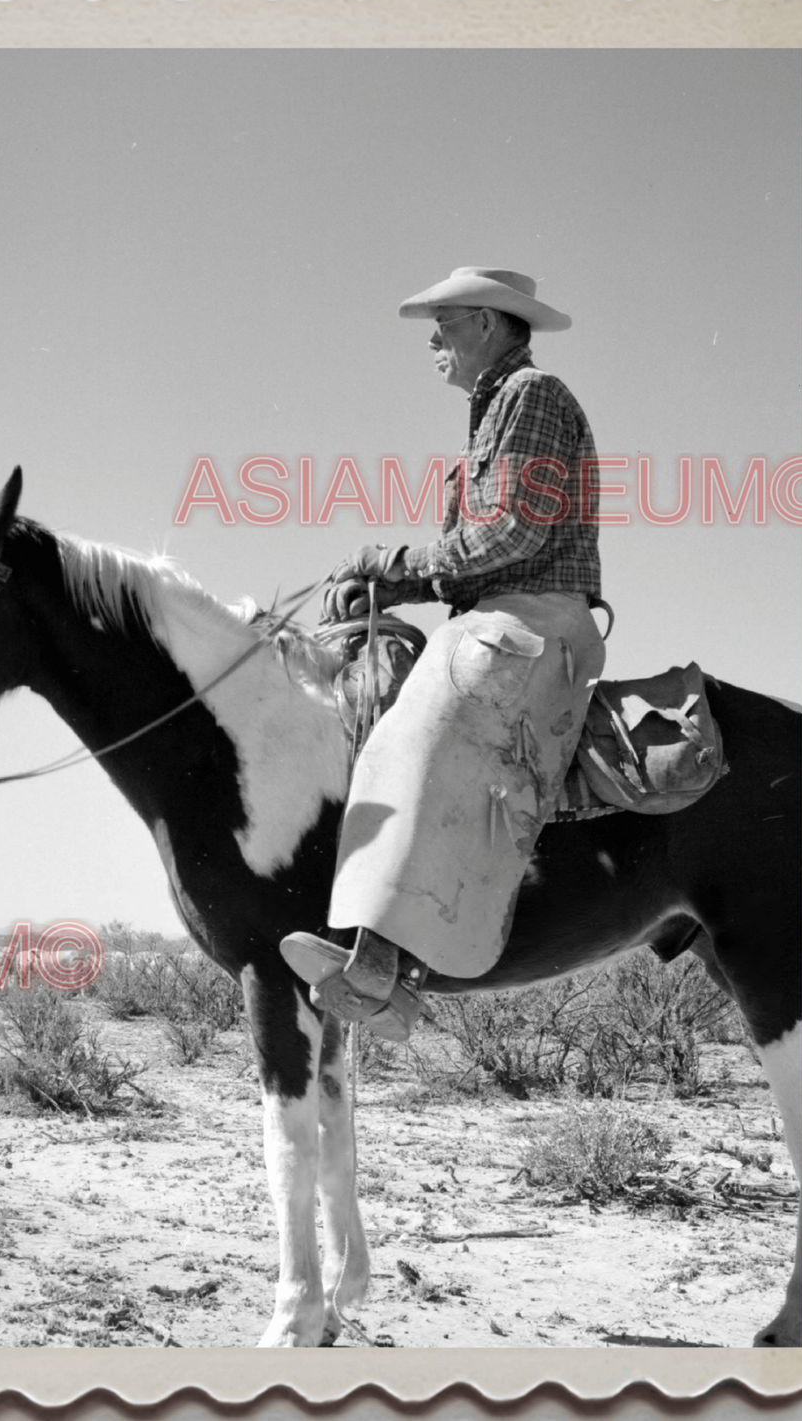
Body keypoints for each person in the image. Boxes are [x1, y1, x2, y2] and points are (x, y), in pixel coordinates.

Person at [282, 267, 607, 1040]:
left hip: (534, 619)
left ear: (490, 324)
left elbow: (510, 536)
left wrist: (386, 565)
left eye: (446, 321)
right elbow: (481, 550)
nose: (432, 338)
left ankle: (380, 961)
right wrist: (389, 589)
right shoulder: (492, 412)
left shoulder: (531, 397)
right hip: (500, 611)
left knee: (414, 726)